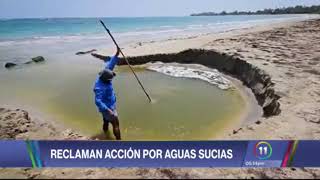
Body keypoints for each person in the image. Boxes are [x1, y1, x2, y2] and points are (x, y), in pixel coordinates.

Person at [92, 47, 121, 140]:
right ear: (105, 80)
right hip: (107, 107)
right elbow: (98, 101)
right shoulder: (99, 87)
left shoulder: (105, 72)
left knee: (105, 121)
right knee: (116, 123)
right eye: (110, 79)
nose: (111, 80)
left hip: (110, 104)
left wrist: (116, 54)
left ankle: (105, 135)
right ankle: (120, 142)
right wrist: (108, 110)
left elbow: (111, 65)